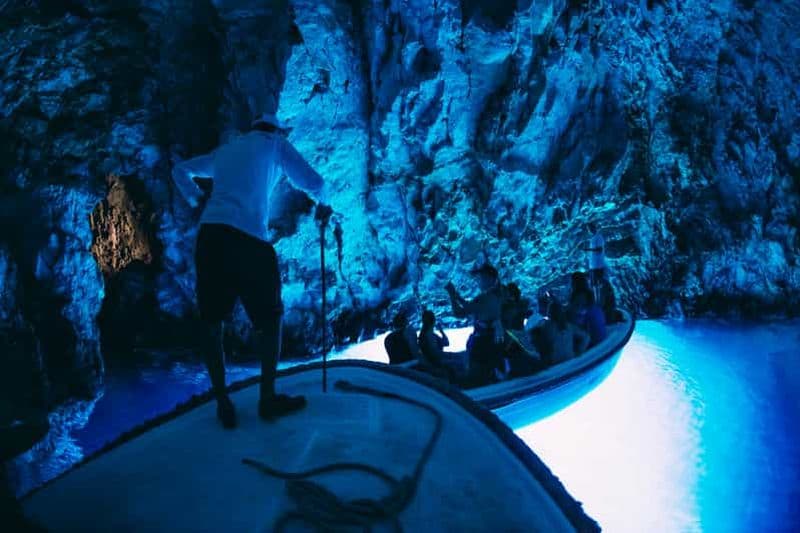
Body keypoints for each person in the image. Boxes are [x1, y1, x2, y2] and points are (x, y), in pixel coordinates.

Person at [172, 112, 333, 429]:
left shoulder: (227, 150)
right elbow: (316, 183)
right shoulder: (275, 145)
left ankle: (223, 403)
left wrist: (196, 200)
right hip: (248, 238)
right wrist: (324, 205)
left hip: (211, 236)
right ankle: (268, 399)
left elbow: (180, 170)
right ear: (278, 131)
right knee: (270, 320)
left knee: (211, 323)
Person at [445, 263, 506, 386]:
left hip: (482, 343)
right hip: (493, 340)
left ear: (489, 278)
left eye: (480, 278)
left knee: (476, 377)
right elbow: (471, 307)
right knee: (487, 373)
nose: (478, 282)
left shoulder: (484, 298)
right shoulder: (498, 295)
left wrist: (451, 294)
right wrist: (458, 296)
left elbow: (459, 313)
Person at [568, 272, 607, 348]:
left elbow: (577, 317)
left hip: (593, 341)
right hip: (601, 335)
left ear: (574, 283)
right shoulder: (589, 294)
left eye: (571, 282)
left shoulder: (579, 296)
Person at [544, 301, 590, 365]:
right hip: (564, 361)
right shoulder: (549, 327)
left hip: (561, 362)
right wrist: (579, 352)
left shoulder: (548, 327)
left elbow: (586, 337)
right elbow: (586, 337)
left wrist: (579, 352)